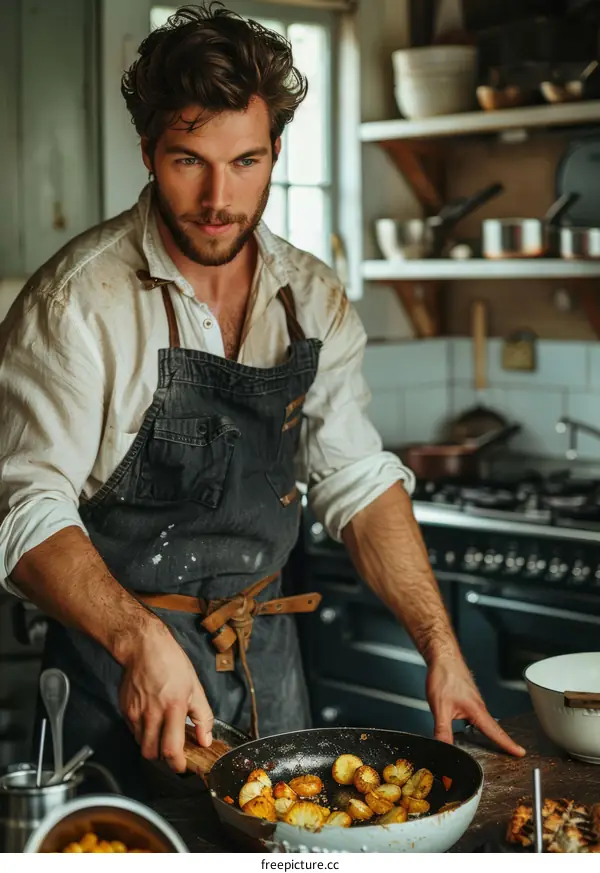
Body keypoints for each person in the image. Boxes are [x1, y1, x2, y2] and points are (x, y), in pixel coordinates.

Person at [0, 3, 524, 799]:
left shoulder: (310, 296)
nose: (219, 196)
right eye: (188, 161)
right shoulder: (77, 302)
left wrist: (439, 643)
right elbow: (24, 506)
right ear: (147, 152)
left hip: (269, 670)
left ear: (276, 151)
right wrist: (139, 640)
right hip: (117, 676)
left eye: (246, 161)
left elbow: (356, 478)